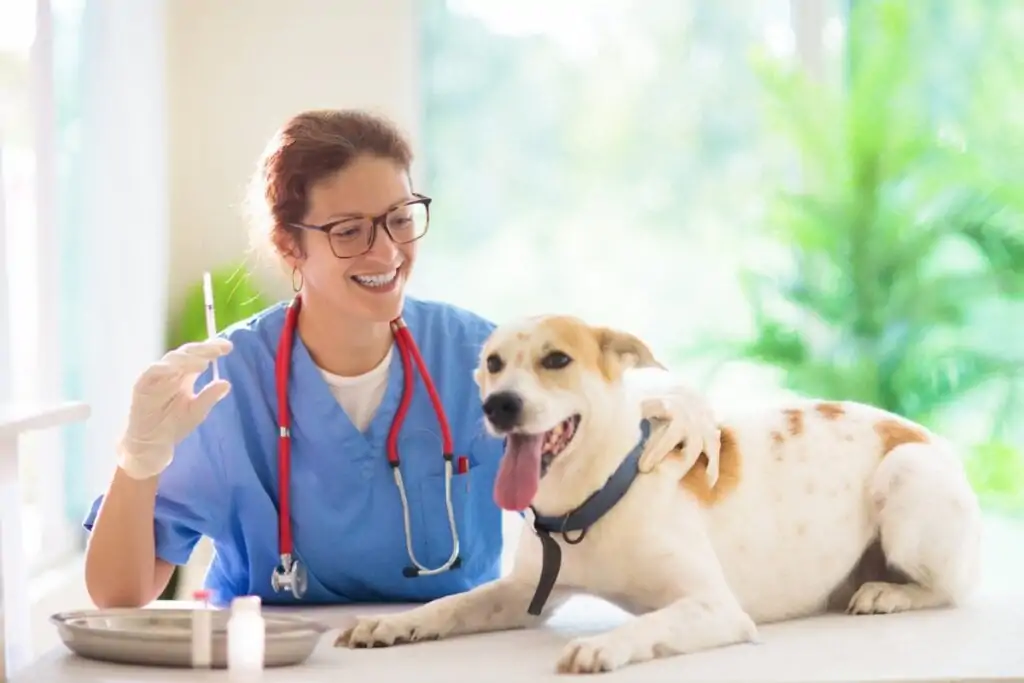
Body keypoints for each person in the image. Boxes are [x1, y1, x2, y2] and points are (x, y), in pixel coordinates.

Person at [82, 109, 721, 608]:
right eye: (349, 230)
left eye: (399, 218)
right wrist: (139, 459)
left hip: (452, 649)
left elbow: (596, 475)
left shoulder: (482, 358)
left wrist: (646, 413)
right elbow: (120, 593)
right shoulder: (228, 379)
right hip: (272, 660)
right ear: (290, 244)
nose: (386, 251)